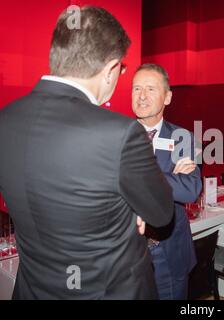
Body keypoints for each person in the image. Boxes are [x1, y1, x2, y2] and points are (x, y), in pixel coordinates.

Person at [0, 6, 174, 299]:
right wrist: (132, 206)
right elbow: (160, 212)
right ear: (109, 69)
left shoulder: (6, 120)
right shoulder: (119, 133)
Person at [131, 63, 201, 299]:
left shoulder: (182, 138)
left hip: (168, 250)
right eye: (136, 88)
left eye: (150, 89)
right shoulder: (116, 135)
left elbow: (191, 189)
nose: (141, 96)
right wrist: (171, 177)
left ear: (168, 97)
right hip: (126, 252)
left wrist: (134, 174)